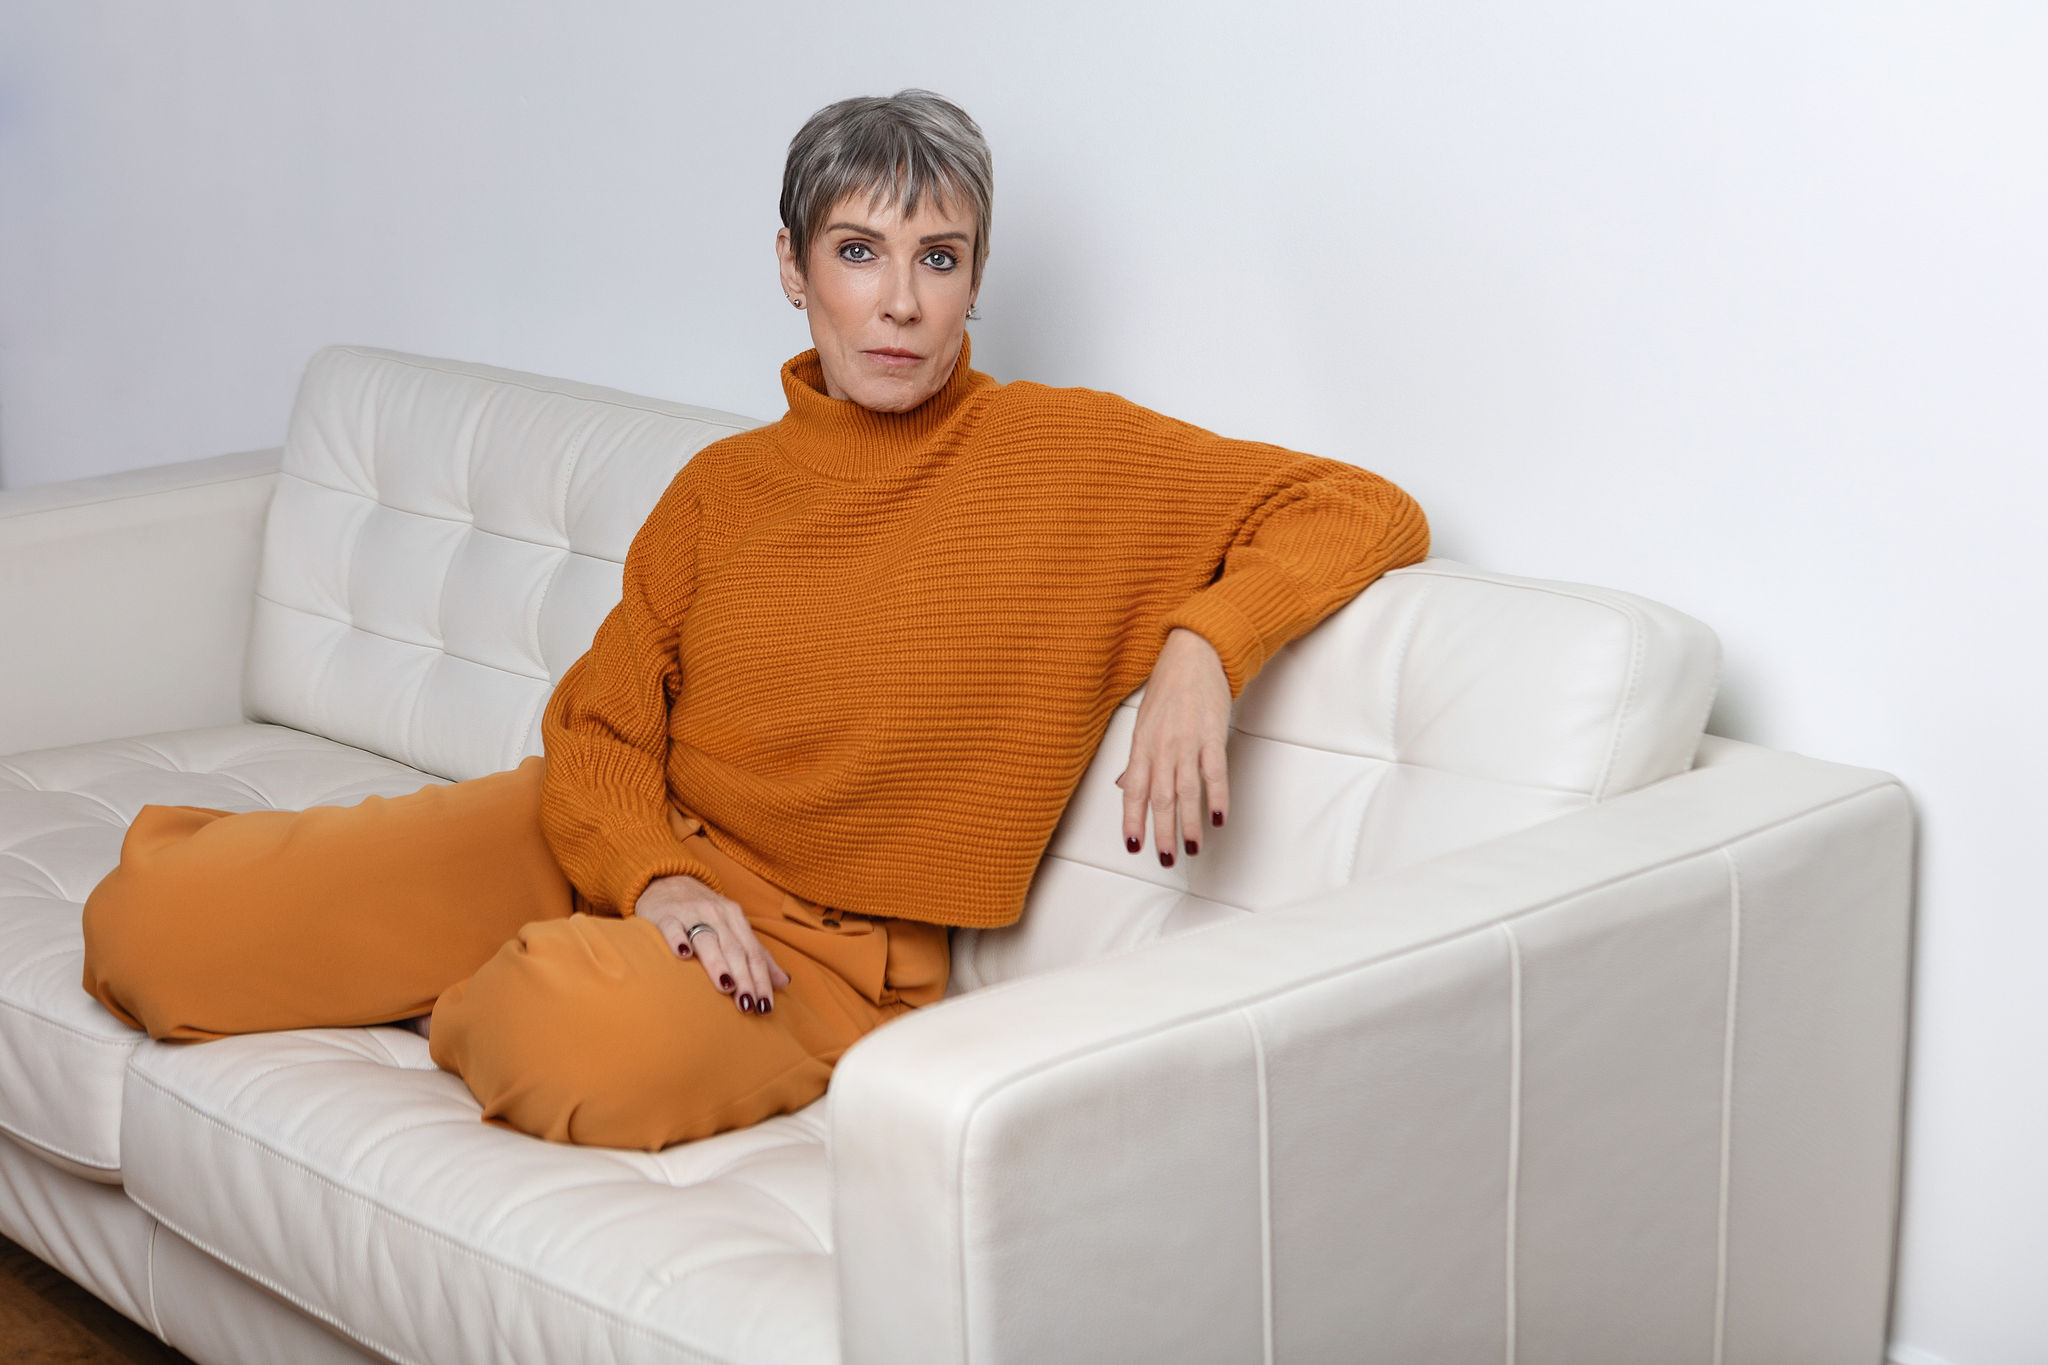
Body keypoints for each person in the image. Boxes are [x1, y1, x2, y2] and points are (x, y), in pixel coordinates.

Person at [79, 90, 1429, 1151]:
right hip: (601, 839)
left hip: (821, 950)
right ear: (792, 266)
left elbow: (1359, 506)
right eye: (858, 252)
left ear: (975, 278)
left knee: (553, 1036)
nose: (899, 302)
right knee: (152, 930)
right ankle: (501, 939)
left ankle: (511, 972)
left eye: (938, 258)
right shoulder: (721, 489)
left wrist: (1205, 648)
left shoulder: (1063, 454)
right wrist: (655, 878)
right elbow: (599, 729)